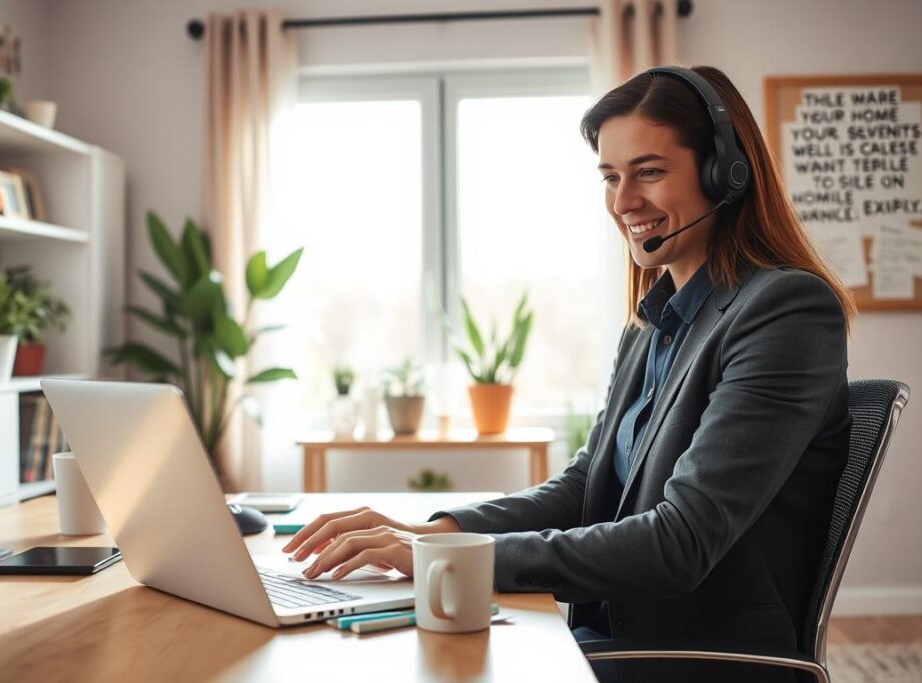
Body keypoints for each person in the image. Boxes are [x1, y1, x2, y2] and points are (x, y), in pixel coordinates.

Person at [282, 65, 855, 682]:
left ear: (725, 174)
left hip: (690, 659)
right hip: (607, 640)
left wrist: (448, 556)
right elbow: (585, 490)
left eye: (649, 172)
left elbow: (680, 542)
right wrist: (434, 532)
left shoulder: (784, 311)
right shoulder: (652, 325)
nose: (623, 201)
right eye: (610, 176)